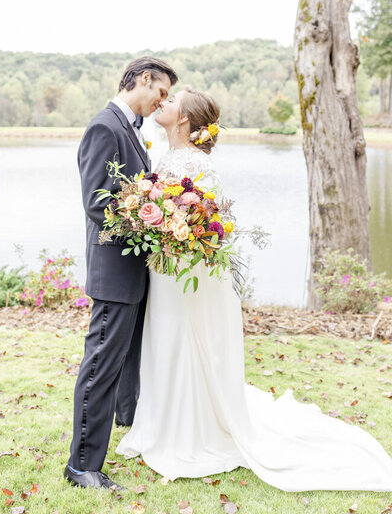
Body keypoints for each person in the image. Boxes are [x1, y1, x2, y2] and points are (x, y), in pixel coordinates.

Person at [116, 88, 392, 492]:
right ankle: (165, 420)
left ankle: (191, 430)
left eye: (172, 101)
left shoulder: (195, 162)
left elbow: (203, 222)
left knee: (183, 339)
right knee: (167, 339)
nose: (164, 102)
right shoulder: (172, 157)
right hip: (168, 270)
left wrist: (170, 230)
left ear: (185, 121)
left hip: (186, 272)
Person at [64, 57, 178, 490]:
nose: (161, 100)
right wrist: (157, 218)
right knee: (100, 366)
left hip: (133, 271)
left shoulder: (131, 129)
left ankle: (131, 426)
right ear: (144, 79)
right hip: (114, 270)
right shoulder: (105, 127)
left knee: (126, 364)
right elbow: (97, 202)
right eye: (161, 91)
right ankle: (81, 465)